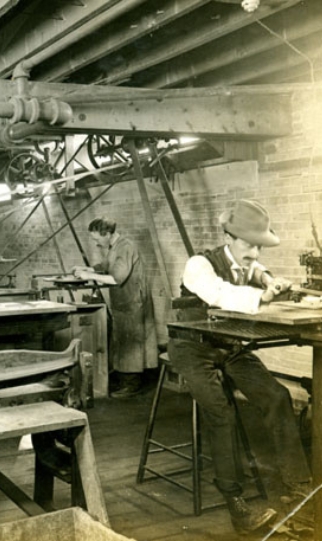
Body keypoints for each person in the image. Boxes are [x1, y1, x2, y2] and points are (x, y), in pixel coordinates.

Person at [168, 199, 310, 534]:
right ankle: (236, 504)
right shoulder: (198, 264)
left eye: (259, 247)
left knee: (276, 396)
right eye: (249, 245)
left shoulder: (248, 265)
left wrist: (271, 282)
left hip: (228, 348)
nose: (254, 254)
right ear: (229, 237)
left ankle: (298, 485)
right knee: (222, 412)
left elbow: (255, 274)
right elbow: (218, 293)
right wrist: (261, 296)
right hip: (192, 349)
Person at [72, 218, 157, 398]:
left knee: (131, 343)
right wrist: (88, 268)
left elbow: (116, 277)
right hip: (122, 303)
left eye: (97, 239)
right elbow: (107, 266)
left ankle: (132, 384)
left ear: (107, 234)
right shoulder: (114, 247)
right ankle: (123, 377)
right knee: (122, 341)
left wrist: (88, 275)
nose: (96, 243)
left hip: (133, 303)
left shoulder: (126, 246)